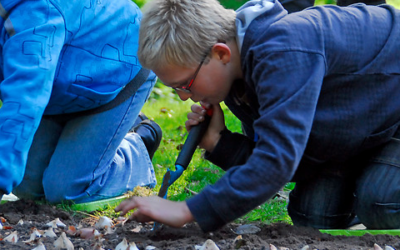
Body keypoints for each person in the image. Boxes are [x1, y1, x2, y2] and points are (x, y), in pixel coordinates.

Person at [115, 0, 400, 232]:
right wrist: (218, 142)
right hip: (361, 124)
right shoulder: (238, 75)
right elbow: (288, 160)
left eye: (185, 84)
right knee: (313, 216)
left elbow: (277, 161)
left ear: (220, 54)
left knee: (380, 203)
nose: (185, 97)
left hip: (392, 113)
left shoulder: (284, 49)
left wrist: (188, 210)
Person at [0, 0, 162, 204]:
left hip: (115, 72)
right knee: (27, 187)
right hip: (58, 91)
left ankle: (139, 141)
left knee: (66, 190)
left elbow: (24, 99)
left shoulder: (35, 10)